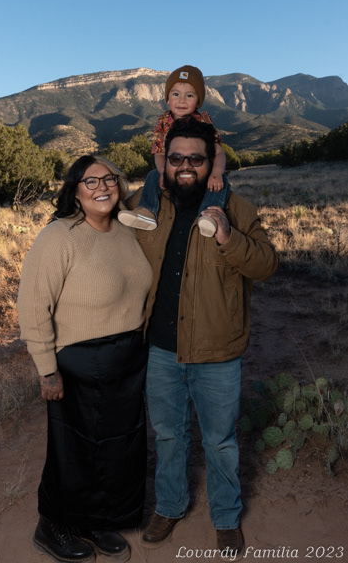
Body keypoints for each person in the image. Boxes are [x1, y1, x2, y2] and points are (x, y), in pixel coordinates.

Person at [127, 117, 279, 562]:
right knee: (168, 436)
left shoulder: (237, 208)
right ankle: (170, 506)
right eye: (177, 158)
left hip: (217, 353)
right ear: (165, 162)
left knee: (220, 441)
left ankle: (226, 518)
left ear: (212, 161)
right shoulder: (148, 206)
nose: (186, 166)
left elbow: (267, 264)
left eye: (196, 158)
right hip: (160, 350)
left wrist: (228, 237)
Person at [17, 155, 153, 563]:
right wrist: (47, 370)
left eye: (109, 178)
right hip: (80, 361)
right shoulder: (59, 236)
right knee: (74, 451)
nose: (102, 187)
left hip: (128, 359)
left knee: (118, 449)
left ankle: (96, 520)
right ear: (75, 191)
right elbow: (32, 306)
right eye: (90, 181)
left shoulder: (127, 229)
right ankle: (53, 525)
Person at [118, 65, 228, 237]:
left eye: (189, 95)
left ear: (198, 101)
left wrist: (216, 173)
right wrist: (164, 172)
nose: (182, 100)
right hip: (174, 170)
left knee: (221, 182)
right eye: (176, 94)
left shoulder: (203, 121)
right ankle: (147, 211)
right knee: (153, 175)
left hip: (200, 170)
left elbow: (219, 153)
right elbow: (159, 152)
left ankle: (208, 217)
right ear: (167, 99)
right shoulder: (163, 121)